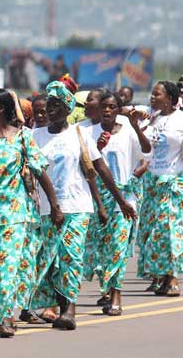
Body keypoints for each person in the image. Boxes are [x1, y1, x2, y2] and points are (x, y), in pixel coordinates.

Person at [29, 81, 136, 331]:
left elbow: (99, 169)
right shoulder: (35, 136)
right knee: (53, 260)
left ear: (67, 108)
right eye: (49, 104)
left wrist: (120, 201)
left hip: (77, 206)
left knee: (72, 256)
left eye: (56, 105)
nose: (50, 109)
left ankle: (70, 309)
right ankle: (55, 304)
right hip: (47, 208)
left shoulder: (80, 134)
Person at [0, 88, 63, 337]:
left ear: (3, 109)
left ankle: (6, 317)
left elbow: (40, 171)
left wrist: (55, 206)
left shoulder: (23, 137)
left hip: (13, 213)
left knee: (7, 267)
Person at [88, 92, 151, 315]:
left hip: (124, 200)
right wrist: (98, 146)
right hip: (98, 199)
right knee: (102, 251)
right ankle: (106, 291)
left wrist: (135, 126)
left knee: (118, 248)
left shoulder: (126, 131)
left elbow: (146, 151)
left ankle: (116, 295)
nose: (107, 110)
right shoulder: (89, 132)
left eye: (112, 107)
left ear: (118, 110)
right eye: (104, 106)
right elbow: (88, 169)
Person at [137, 81, 183, 296]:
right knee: (151, 233)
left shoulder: (180, 119)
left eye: (157, 94)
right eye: (152, 94)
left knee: (169, 231)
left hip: (172, 183)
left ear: (170, 98)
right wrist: (138, 125)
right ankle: (162, 277)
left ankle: (173, 278)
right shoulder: (150, 118)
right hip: (150, 184)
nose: (152, 97)